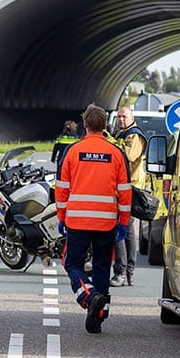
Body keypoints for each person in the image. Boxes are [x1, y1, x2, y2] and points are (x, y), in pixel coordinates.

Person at [54, 105, 132, 333]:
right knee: (101, 267)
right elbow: (125, 191)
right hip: (107, 222)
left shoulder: (73, 151)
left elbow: (62, 189)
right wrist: (123, 222)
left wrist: (62, 216)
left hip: (77, 221)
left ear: (85, 125)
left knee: (72, 264)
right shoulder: (116, 153)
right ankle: (98, 316)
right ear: (106, 125)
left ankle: (89, 297)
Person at [110, 107, 149, 286]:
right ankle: (127, 272)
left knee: (120, 229)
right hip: (123, 187)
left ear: (132, 117)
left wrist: (110, 142)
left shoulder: (134, 136)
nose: (121, 119)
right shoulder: (123, 134)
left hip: (130, 188)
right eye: (118, 116)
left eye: (124, 116)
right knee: (127, 231)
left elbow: (127, 157)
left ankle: (121, 272)